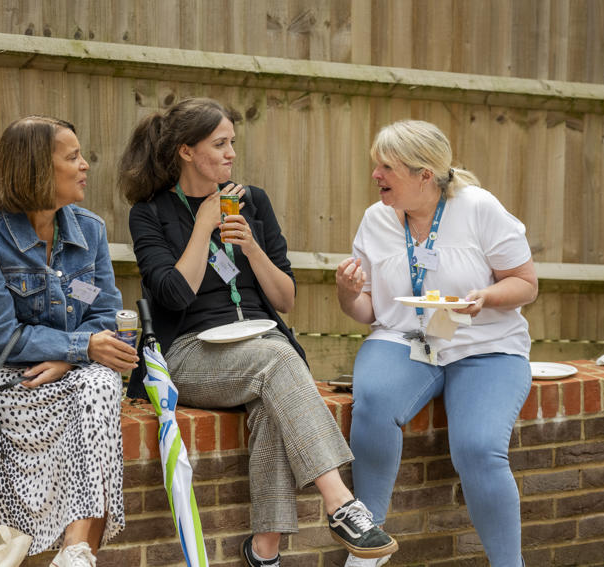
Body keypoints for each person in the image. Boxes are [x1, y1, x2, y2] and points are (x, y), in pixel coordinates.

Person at [119, 97, 397, 567]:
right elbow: (172, 295)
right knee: (280, 360)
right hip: (186, 353)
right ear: (186, 151)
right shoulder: (150, 213)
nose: (231, 154)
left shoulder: (253, 201)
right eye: (219, 144)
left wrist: (251, 249)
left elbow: (285, 299)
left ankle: (264, 552)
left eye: (233, 143)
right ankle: (341, 503)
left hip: (258, 345)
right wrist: (203, 225)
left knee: (273, 396)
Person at [335, 120, 538, 567]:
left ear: (425, 174)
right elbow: (369, 312)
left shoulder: (479, 208)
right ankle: (368, 548)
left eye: (387, 167)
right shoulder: (376, 218)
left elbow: (525, 284)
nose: (376, 176)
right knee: (371, 406)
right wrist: (349, 292)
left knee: (479, 447)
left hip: (485, 343)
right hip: (403, 339)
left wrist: (485, 298)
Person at [0, 116, 139, 567]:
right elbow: (2, 337)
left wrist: (70, 359)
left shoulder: (89, 231)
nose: (85, 166)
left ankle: (75, 551)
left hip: (66, 372)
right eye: (73, 157)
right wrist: (80, 350)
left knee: (99, 384)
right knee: (98, 384)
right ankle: (76, 553)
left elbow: (102, 312)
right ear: (38, 167)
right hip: (11, 378)